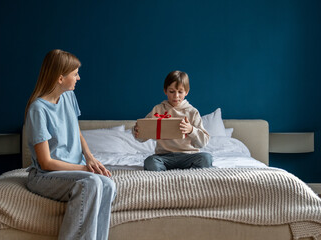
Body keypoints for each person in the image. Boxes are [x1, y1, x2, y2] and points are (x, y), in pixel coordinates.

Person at [24, 49, 116, 240]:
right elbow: (46, 163)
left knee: (108, 184)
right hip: (45, 175)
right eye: (75, 74)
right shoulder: (38, 110)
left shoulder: (68, 96)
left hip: (74, 169)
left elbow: (76, 130)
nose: (78, 78)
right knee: (91, 182)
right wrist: (85, 169)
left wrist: (90, 158)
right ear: (60, 78)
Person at [133, 70, 213, 171]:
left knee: (206, 158)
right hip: (164, 156)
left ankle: (188, 173)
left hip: (188, 156)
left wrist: (191, 130)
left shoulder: (192, 112)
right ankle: (166, 174)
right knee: (150, 162)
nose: (176, 96)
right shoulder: (158, 109)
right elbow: (142, 137)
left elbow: (203, 142)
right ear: (165, 91)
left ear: (186, 92)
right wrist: (137, 131)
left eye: (180, 92)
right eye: (172, 91)